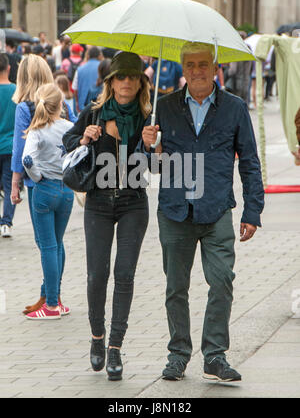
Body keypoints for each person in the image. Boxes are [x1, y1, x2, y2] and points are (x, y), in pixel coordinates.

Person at [141, 42, 265, 382]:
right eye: (190, 64)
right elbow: (149, 166)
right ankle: (178, 354)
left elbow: (251, 163)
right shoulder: (163, 108)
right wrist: (147, 144)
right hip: (174, 211)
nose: (196, 70)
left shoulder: (235, 109)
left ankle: (214, 355)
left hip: (217, 210)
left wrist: (253, 210)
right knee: (175, 288)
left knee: (222, 280)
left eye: (203, 64)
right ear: (183, 69)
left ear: (215, 68)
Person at [63, 51, 151, 381]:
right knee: (96, 276)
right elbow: (68, 141)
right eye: (120, 77)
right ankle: (97, 338)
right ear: (110, 81)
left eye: (132, 76)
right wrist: (85, 137)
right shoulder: (95, 112)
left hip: (133, 203)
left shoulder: (148, 117)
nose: (126, 82)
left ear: (141, 82)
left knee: (124, 274)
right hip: (98, 203)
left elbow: (158, 168)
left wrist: (152, 146)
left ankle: (115, 347)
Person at [10, 54, 74, 315]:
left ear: (23, 77)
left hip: (40, 185)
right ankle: (52, 295)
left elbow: (20, 151)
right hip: (65, 185)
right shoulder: (64, 106)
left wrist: (16, 184)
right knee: (57, 243)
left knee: (45, 244)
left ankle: (50, 300)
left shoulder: (25, 108)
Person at [0, 53, 17, 237]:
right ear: (9, 68)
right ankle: (6, 223)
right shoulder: (17, 91)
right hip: (11, 146)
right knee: (9, 184)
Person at [72, 46, 102, 112]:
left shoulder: (79, 69)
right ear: (99, 56)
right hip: (99, 105)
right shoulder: (102, 68)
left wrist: (77, 102)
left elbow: (75, 89)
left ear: (88, 56)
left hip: (83, 107)